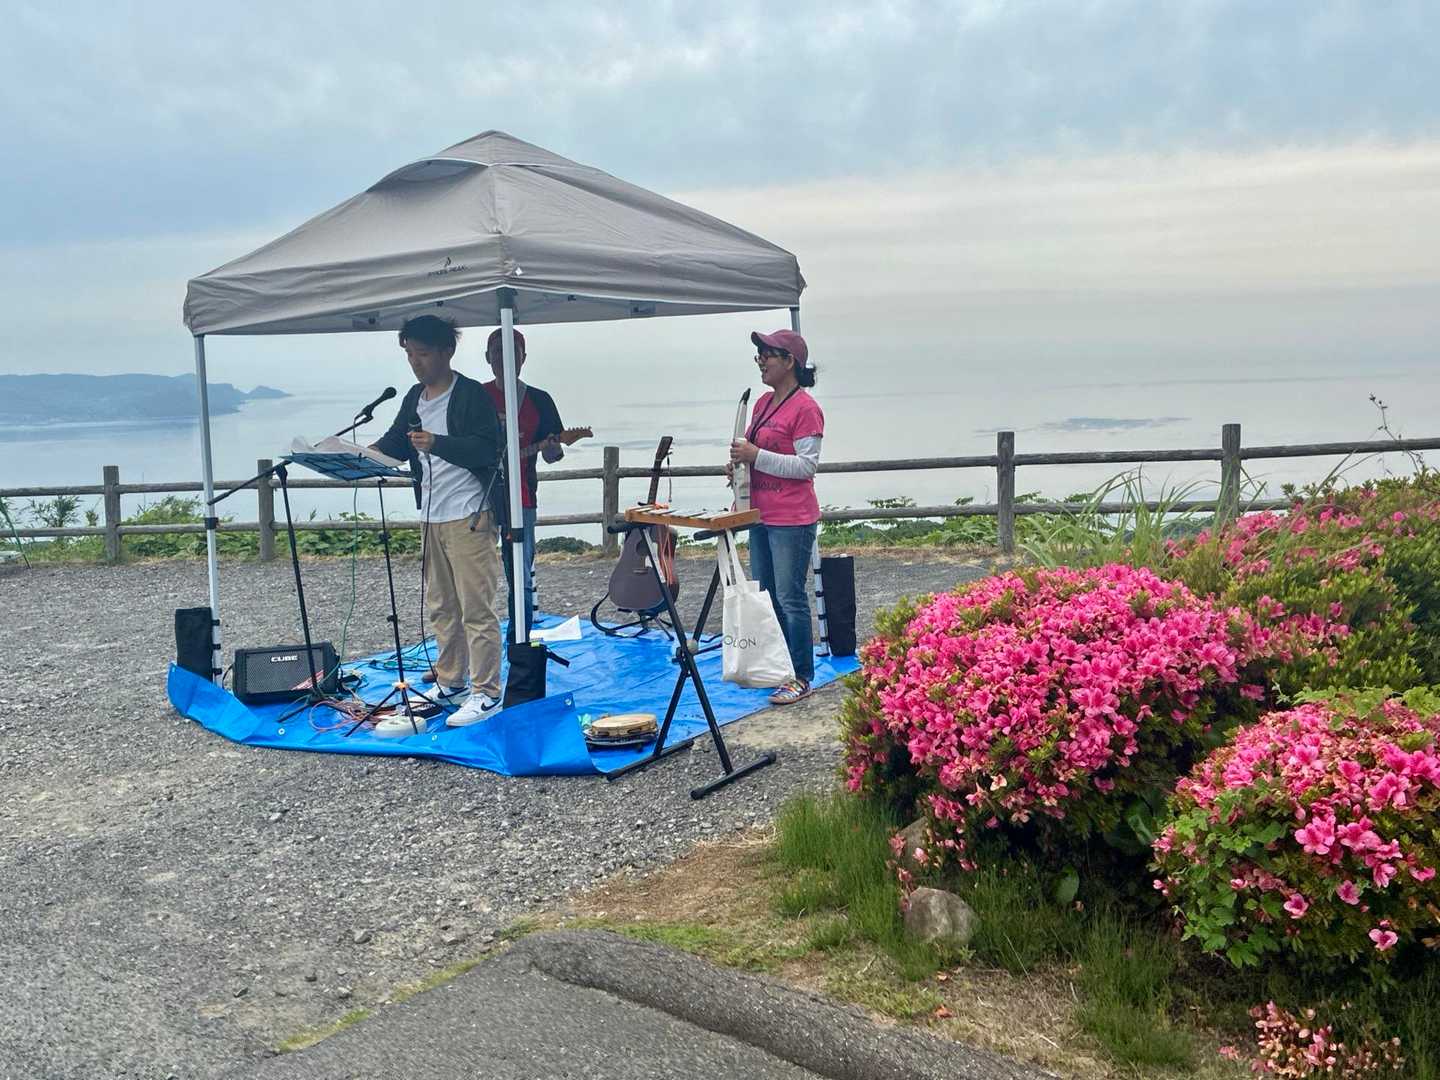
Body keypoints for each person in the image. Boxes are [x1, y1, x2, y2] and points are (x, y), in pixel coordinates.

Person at [370, 314, 504, 730]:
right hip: (430, 514)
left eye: (423, 353)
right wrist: (359, 455)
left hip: (469, 514)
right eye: (410, 354)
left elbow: (488, 449)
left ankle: (487, 692)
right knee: (442, 607)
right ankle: (451, 683)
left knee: (476, 608)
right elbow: (395, 443)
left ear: (447, 350)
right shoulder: (414, 397)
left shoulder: (470, 395)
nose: (416, 362)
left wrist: (437, 444)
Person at [727, 329, 823, 705]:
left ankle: (801, 675)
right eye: (760, 355)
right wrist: (739, 468)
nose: (762, 362)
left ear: (790, 361)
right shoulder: (763, 403)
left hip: (792, 518)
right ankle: (779, 667)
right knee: (767, 595)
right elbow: (754, 452)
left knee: (789, 596)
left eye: (768, 354)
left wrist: (755, 456)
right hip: (760, 514)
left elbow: (805, 466)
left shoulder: (806, 408)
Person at [480, 327, 566, 633]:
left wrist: (552, 445)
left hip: (523, 497)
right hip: (478, 497)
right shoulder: (477, 397)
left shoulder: (539, 400)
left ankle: (520, 639)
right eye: (497, 352)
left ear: (523, 358)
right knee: (476, 574)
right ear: (487, 357)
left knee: (521, 575)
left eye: (512, 353)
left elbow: (553, 455)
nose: (504, 359)